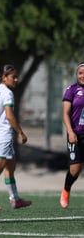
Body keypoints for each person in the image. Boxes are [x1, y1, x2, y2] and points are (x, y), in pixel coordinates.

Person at [0, 64, 31, 210]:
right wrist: (20, 132)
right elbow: (9, 115)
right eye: (13, 77)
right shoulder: (7, 93)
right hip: (3, 135)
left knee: (10, 167)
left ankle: (15, 199)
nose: (16, 79)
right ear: (4, 78)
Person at [60, 62, 84, 208]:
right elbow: (65, 114)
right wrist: (70, 131)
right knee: (75, 170)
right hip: (76, 134)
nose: (82, 76)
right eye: (80, 73)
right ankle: (66, 189)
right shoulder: (72, 90)